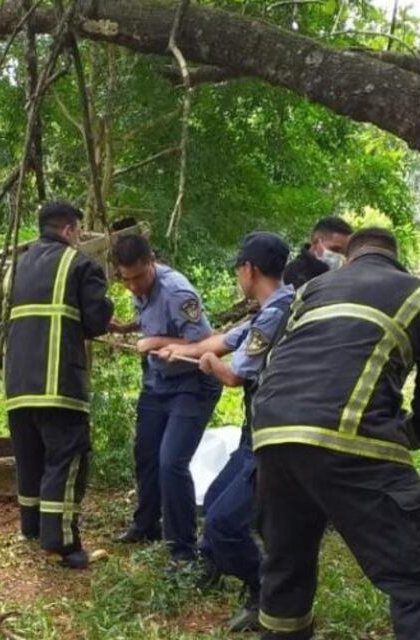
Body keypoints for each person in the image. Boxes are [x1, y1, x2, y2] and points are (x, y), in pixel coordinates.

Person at [251, 228, 420, 640]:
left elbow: (272, 366)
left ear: (349, 260)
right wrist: (405, 433)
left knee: (285, 572)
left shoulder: (311, 290)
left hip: (271, 435)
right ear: (396, 260)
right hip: (349, 437)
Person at [159, 232, 294, 633]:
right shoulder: (272, 308)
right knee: (217, 496)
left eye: (239, 270)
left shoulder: (276, 314)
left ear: (248, 269)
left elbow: (234, 373)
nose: (239, 277)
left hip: (274, 438)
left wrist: (206, 362)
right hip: (256, 435)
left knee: (223, 522)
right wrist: (178, 349)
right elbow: (223, 340)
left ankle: (265, 588)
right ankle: (211, 565)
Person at [4, 201, 114, 569]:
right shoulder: (80, 264)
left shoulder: (17, 265)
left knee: (30, 459)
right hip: (59, 384)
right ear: (69, 230)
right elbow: (96, 321)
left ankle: (32, 529)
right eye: (78, 231)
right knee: (65, 461)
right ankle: (63, 545)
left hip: (18, 385)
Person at [110, 235, 221, 564]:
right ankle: (146, 524)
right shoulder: (137, 288)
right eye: (126, 279)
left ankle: (183, 550)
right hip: (157, 382)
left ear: (151, 261)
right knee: (146, 453)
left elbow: (208, 342)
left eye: (139, 277)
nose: (133, 286)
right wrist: (127, 328)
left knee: (171, 462)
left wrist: (156, 339)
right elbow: (149, 319)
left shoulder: (178, 292)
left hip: (193, 385)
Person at [282, 216, 352, 288]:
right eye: (335, 249)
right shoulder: (294, 272)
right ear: (316, 242)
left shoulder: (346, 273)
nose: (340, 256)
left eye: (344, 253)